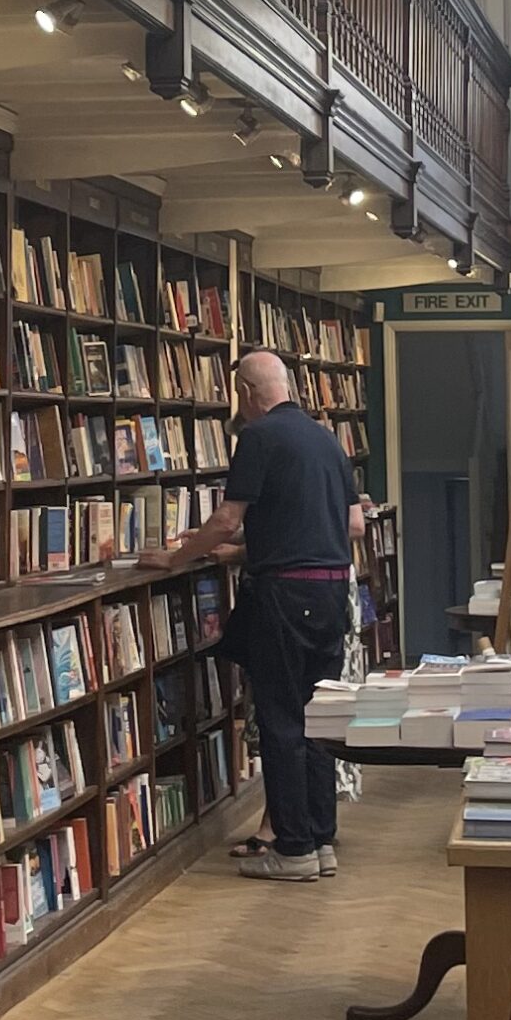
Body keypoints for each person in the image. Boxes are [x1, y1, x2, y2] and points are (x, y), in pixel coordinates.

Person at [170, 346, 362, 883]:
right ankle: (322, 840)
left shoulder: (258, 438)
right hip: (331, 594)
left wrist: (178, 555)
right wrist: (264, 545)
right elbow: (353, 527)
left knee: (281, 718)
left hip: (283, 596)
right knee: (320, 718)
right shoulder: (328, 439)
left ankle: (294, 849)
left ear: (250, 394)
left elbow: (228, 518)